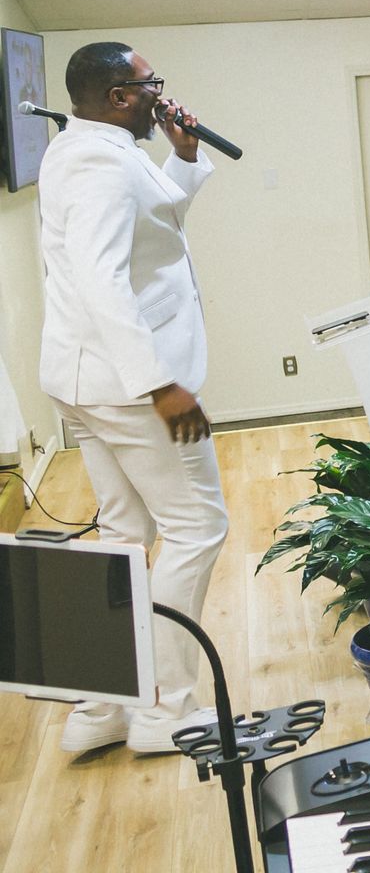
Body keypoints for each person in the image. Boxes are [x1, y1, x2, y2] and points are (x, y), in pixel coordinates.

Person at [38, 42, 228, 755]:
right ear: (120, 96)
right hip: (126, 386)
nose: (161, 96)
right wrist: (159, 384)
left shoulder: (82, 148)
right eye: (152, 85)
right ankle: (165, 713)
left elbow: (154, 224)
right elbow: (102, 279)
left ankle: (102, 708)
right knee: (196, 527)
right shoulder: (103, 165)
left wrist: (183, 156)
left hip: (83, 381)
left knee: (122, 539)